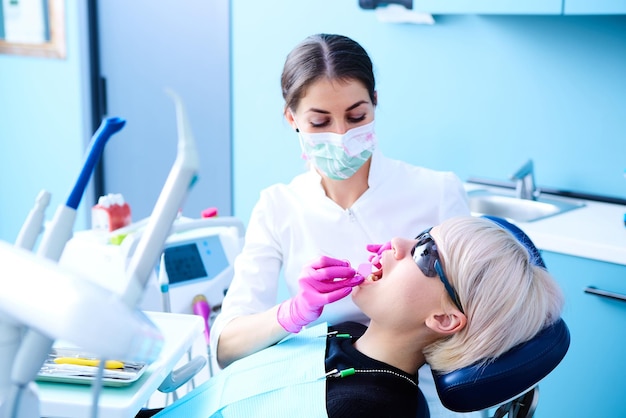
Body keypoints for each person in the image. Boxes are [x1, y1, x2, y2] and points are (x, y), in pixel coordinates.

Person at [210, 33, 471, 416]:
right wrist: (294, 312)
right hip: (319, 394)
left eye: (356, 116)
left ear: (375, 103)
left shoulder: (436, 192)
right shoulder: (279, 206)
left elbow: (476, 320)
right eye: (320, 121)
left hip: (418, 399)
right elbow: (227, 346)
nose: (342, 137)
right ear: (292, 119)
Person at [155, 216, 564, 418]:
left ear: (444, 319)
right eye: (423, 235)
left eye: (425, 254)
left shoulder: (374, 411)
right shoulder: (344, 334)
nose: (399, 242)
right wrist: (293, 313)